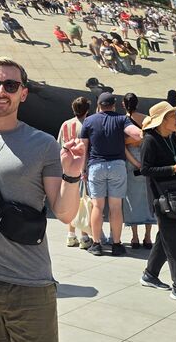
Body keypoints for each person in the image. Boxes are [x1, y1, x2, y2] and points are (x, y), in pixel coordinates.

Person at [0, 58, 82, 342]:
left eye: (10, 85)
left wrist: (73, 175)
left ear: (23, 93)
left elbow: (64, 213)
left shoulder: (43, 144)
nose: (1, 91)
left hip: (29, 282)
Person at [139, 101, 176, 306]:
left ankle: (150, 274)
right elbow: (145, 170)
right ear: (162, 120)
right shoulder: (149, 140)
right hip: (160, 197)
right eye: (174, 116)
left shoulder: (172, 137)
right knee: (174, 240)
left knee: (165, 235)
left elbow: (175, 159)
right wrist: (172, 169)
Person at [79, 92, 143, 256]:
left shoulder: (89, 120)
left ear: (99, 105)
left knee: (97, 207)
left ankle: (96, 244)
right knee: (116, 207)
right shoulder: (122, 119)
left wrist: (82, 169)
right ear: (114, 105)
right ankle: (116, 244)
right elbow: (138, 134)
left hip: (96, 166)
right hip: (117, 167)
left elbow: (83, 148)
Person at [58, 96, 93, 249]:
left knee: (71, 201)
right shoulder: (88, 124)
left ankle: (71, 235)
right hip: (83, 167)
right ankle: (84, 236)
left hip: (67, 168)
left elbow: (59, 145)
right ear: (87, 110)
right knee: (83, 201)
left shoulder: (66, 124)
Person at [122, 93, 155, 249]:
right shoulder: (146, 119)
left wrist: (134, 162)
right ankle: (147, 237)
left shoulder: (122, 120)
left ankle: (134, 237)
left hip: (131, 160)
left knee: (131, 198)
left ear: (123, 104)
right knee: (148, 196)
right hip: (147, 157)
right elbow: (151, 138)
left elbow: (123, 144)